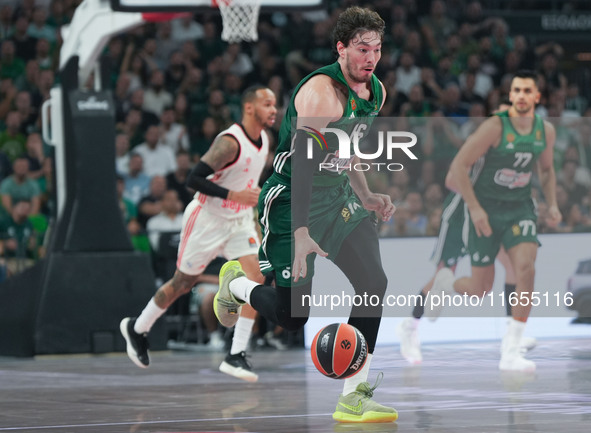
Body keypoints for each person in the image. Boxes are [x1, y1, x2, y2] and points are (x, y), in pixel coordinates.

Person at [212, 7, 397, 424]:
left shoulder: (376, 92)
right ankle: (237, 283)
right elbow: (304, 168)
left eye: (377, 49)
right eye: (362, 48)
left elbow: (348, 149)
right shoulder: (320, 94)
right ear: (341, 48)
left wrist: (366, 195)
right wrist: (299, 233)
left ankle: (354, 396)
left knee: (374, 282)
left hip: (336, 199)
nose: (371, 57)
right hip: (292, 199)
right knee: (293, 316)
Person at [120, 85, 277, 384]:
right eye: (267, 104)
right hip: (207, 219)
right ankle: (138, 328)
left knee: (256, 276)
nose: (273, 109)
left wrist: (251, 213)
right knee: (183, 282)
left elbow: (247, 189)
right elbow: (194, 178)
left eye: (274, 105)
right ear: (248, 108)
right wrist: (234, 194)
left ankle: (236, 354)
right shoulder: (230, 143)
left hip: (239, 220)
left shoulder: (265, 140)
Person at [425, 70, 561, 371]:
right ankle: (447, 284)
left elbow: (548, 170)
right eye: (517, 90)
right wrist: (474, 208)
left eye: (528, 90)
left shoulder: (546, 131)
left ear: (537, 97)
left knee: (525, 267)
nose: (522, 96)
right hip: (485, 209)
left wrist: (551, 203)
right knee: (479, 289)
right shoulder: (495, 127)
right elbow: (459, 166)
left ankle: (512, 347)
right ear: (510, 96)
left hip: (520, 208)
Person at [397, 101, 538, 365]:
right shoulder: (479, 143)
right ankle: (409, 326)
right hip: (461, 215)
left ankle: (512, 337)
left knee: (512, 266)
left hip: (490, 217)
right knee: (441, 273)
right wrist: (479, 198)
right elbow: (452, 179)